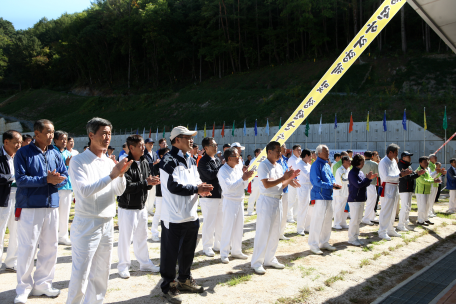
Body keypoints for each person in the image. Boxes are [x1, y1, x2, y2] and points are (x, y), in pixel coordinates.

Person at [66, 117, 131, 304]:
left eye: (109, 133)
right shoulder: (78, 161)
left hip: (107, 221)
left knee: (101, 273)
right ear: (91, 135)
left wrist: (121, 175)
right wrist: (113, 174)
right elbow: (84, 191)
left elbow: (119, 191)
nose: (107, 137)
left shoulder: (109, 162)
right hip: (87, 222)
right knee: (81, 273)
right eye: (103, 133)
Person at [14, 119, 68, 303]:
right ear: (36, 134)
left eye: (53, 132)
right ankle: (23, 288)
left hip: (51, 205)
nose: (52, 136)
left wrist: (57, 180)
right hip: (30, 207)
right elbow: (20, 180)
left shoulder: (55, 153)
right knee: (27, 248)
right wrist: (45, 180)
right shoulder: (23, 153)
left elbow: (64, 174)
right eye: (48, 132)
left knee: (50, 247)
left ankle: (43, 284)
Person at [159, 126, 213, 303]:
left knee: (188, 251)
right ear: (176, 140)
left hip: (190, 214)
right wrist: (196, 189)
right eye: (187, 137)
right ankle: (169, 284)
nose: (191, 140)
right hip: (173, 216)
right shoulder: (168, 159)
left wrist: (201, 189)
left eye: (191, 137)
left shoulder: (190, 159)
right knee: (170, 253)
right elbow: (172, 186)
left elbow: (195, 180)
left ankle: (184, 279)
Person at [251, 141, 299, 274]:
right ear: (269, 152)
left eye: (280, 151)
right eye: (277, 150)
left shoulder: (278, 166)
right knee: (263, 232)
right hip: (266, 200)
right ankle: (257, 262)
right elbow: (266, 184)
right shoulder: (263, 165)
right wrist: (284, 177)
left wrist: (290, 178)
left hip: (277, 200)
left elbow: (281, 185)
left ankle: (270, 258)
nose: (280, 153)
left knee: (274, 232)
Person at [117, 135, 160, 279]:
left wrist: (151, 182)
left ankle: (145, 263)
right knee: (125, 238)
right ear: (131, 148)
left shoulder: (145, 162)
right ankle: (123, 266)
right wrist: (146, 183)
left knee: (142, 236)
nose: (144, 148)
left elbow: (145, 183)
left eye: (143, 145)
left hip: (141, 206)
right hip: (127, 207)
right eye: (140, 145)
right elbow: (126, 187)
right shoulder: (125, 163)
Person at [218, 147, 254, 263]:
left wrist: (245, 177)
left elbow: (243, 186)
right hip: (229, 201)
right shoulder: (223, 171)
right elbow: (228, 188)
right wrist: (242, 178)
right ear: (229, 158)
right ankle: (224, 253)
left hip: (239, 200)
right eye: (236, 156)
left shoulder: (238, 168)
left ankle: (236, 250)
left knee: (239, 227)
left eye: (239, 155)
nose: (239, 158)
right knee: (228, 227)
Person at [308, 145, 340, 255]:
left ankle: (324, 242)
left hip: (328, 195)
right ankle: (313, 244)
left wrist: (334, 183)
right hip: (319, 196)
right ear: (319, 153)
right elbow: (316, 182)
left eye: (328, 151)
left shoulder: (326, 164)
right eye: (326, 151)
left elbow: (332, 177)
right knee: (317, 220)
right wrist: (331, 185)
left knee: (327, 220)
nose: (328, 153)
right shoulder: (316, 165)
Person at [378, 144, 413, 241]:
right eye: (396, 152)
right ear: (390, 152)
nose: (397, 154)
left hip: (394, 186)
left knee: (393, 210)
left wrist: (403, 173)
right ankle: (382, 231)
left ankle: (390, 229)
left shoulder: (393, 161)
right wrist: (400, 175)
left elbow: (398, 173)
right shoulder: (383, 162)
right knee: (386, 210)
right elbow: (385, 177)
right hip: (387, 186)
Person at [0, 130, 22, 273]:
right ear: (6, 142)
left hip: (18, 198)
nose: (19, 145)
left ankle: (11, 261)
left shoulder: (19, 156)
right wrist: (13, 177)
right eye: (16, 142)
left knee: (16, 230)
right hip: (2, 198)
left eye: (20, 142)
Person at [198, 137, 223, 257]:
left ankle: (218, 244)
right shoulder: (203, 161)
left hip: (219, 194)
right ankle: (207, 246)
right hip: (208, 196)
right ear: (206, 148)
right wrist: (222, 167)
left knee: (220, 222)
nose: (216, 146)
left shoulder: (217, 159)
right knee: (209, 222)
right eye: (213, 144)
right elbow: (209, 175)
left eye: (216, 144)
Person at [347, 155, 377, 246]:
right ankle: (351, 238)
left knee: (358, 219)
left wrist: (368, 180)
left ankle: (356, 237)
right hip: (354, 199)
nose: (363, 163)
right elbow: (358, 185)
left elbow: (364, 184)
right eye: (362, 162)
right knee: (354, 219)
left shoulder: (360, 172)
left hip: (360, 198)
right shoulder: (352, 173)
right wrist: (367, 179)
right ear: (358, 162)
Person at [53, 130, 74, 246]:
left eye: (65, 139)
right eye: (61, 139)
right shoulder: (52, 152)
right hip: (56, 187)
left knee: (65, 213)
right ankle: (53, 236)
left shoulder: (68, 153)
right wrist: (66, 164)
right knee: (54, 214)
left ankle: (63, 236)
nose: (64, 141)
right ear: (55, 140)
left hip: (67, 187)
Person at [397, 151, 422, 231]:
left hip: (409, 188)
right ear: (403, 157)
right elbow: (406, 177)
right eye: (408, 156)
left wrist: (417, 174)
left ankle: (405, 223)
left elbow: (411, 174)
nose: (410, 158)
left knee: (408, 207)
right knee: (404, 207)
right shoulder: (401, 165)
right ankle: (401, 224)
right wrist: (417, 174)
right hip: (404, 188)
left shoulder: (407, 165)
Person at [150, 147, 170, 241]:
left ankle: (166, 233)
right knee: (158, 213)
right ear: (161, 156)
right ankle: (154, 233)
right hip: (160, 193)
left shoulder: (171, 164)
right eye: (167, 153)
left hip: (169, 193)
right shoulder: (157, 165)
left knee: (168, 214)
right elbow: (157, 178)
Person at [415, 156, 440, 226]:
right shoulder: (419, 170)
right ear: (420, 163)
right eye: (425, 162)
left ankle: (425, 219)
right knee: (422, 207)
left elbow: (429, 178)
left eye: (427, 162)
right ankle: (420, 220)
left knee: (427, 206)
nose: (427, 163)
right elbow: (423, 181)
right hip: (421, 191)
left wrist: (434, 178)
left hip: (427, 190)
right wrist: (433, 181)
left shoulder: (426, 170)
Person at [295, 148, 313, 236]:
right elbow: (309, 175)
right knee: (303, 208)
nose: (311, 158)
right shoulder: (300, 164)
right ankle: (300, 229)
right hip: (303, 187)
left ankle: (307, 227)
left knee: (309, 208)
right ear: (306, 156)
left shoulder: (308, 165)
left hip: (309, 187)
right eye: (310, 156)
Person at [361, 151, 379, 225]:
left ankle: (372, 216)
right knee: (371, 201)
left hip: (362, 184)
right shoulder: (374, 164)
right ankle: (366, 218)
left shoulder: (362, 163)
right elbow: (378, 175)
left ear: (364, 156)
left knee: (370, 201)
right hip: (371, 184)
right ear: (372, 156)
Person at [333, 156, 351, 230]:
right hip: (340, 192)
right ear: (344, 162)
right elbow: (343, 180)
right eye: (349, 161)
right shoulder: (340, 170)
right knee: (339, 208)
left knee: (345, 208)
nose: (350, 162)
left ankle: (343, 222)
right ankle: (336, 223)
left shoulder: (348, 169)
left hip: (346, 192)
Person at [277, 143, 290, 240]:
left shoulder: (284, 160)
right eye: (283, 147)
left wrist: (292, 180)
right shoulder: (275, 161)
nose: (285, 149)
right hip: (277, 190)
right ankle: (276, 233)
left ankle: (281, 233)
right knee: (278, 213)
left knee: (284, 212)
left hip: (286, 189)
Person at [286, 144, 302, 223]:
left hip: (299, 182)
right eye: (298, 150)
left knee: (297, 199)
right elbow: (292, 170)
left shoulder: (300, 159)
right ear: (293, 151)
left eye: (300, 150)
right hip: (293, 181)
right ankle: (289, 216)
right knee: (291, 199)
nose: (300, 151)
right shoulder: (292, 159)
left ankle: (295, 216)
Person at [144, 138, 160, 215]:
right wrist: (153, 163)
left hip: (154, 175)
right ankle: (145, 210)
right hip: (147, 176)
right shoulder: (143, 153)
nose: (151, 144)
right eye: (149, 143)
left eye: (152, 143)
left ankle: (150, 210)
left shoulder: (154, 153)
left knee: (152, 194)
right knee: (147, 193)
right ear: (145, 144)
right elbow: (143, 164)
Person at [247, 148, 262, 216]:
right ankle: (250, 210)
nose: (261, 153)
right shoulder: (253, 161)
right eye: (259, 152)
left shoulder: (263, 160)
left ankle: (258, 210)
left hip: (261, 179)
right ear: (256, 153)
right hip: (255, 179)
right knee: (253, 195)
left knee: (260, 196)